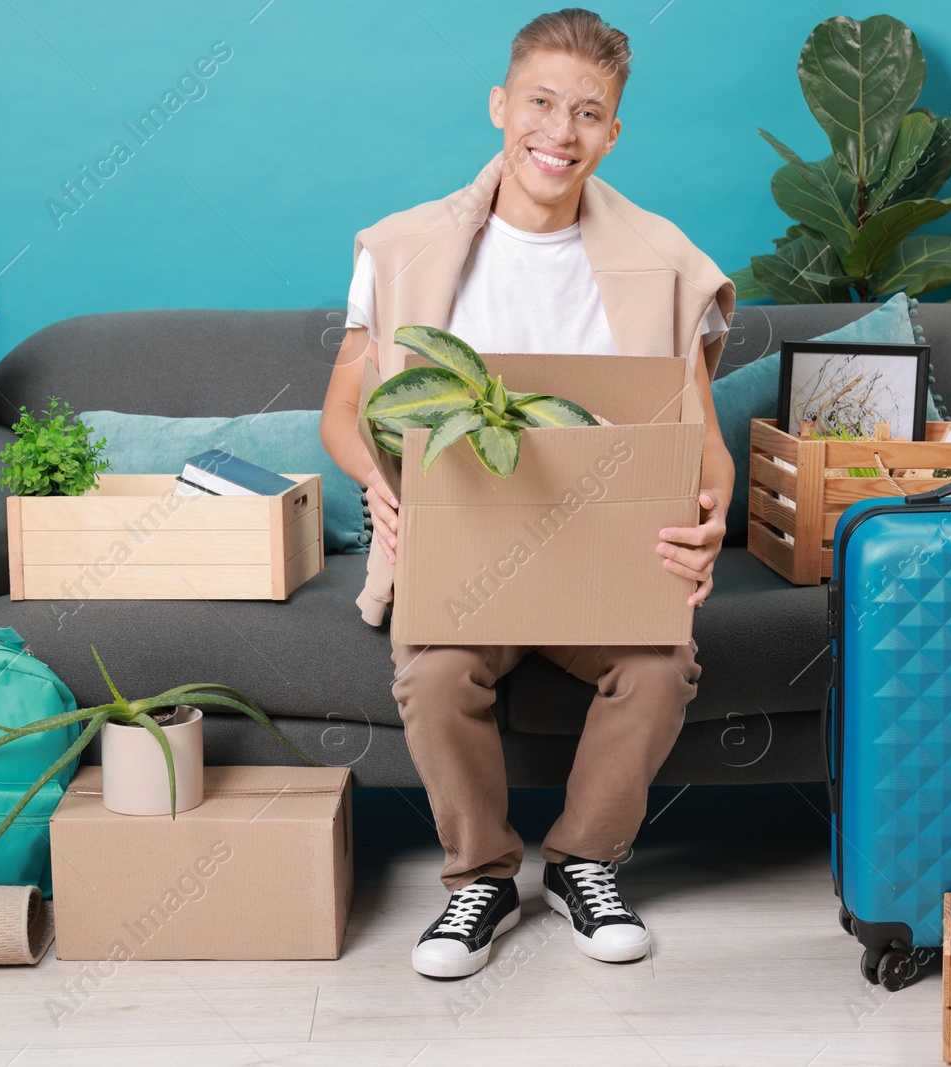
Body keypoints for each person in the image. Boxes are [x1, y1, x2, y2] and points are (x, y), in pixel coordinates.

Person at [319, 7, 735, 979]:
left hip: (607, 553)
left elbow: (703, 442)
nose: (560, 131)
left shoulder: (663, 260)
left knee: (662, 663)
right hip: (465, 546)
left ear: (613, 132)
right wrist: (377, 481)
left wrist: (710, 514)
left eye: (587, 113)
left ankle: (586, 859)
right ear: (501, 106)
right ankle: (482, 874)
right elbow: (343, 410)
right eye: (541, 103)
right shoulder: (404, 248)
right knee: (430, 671)